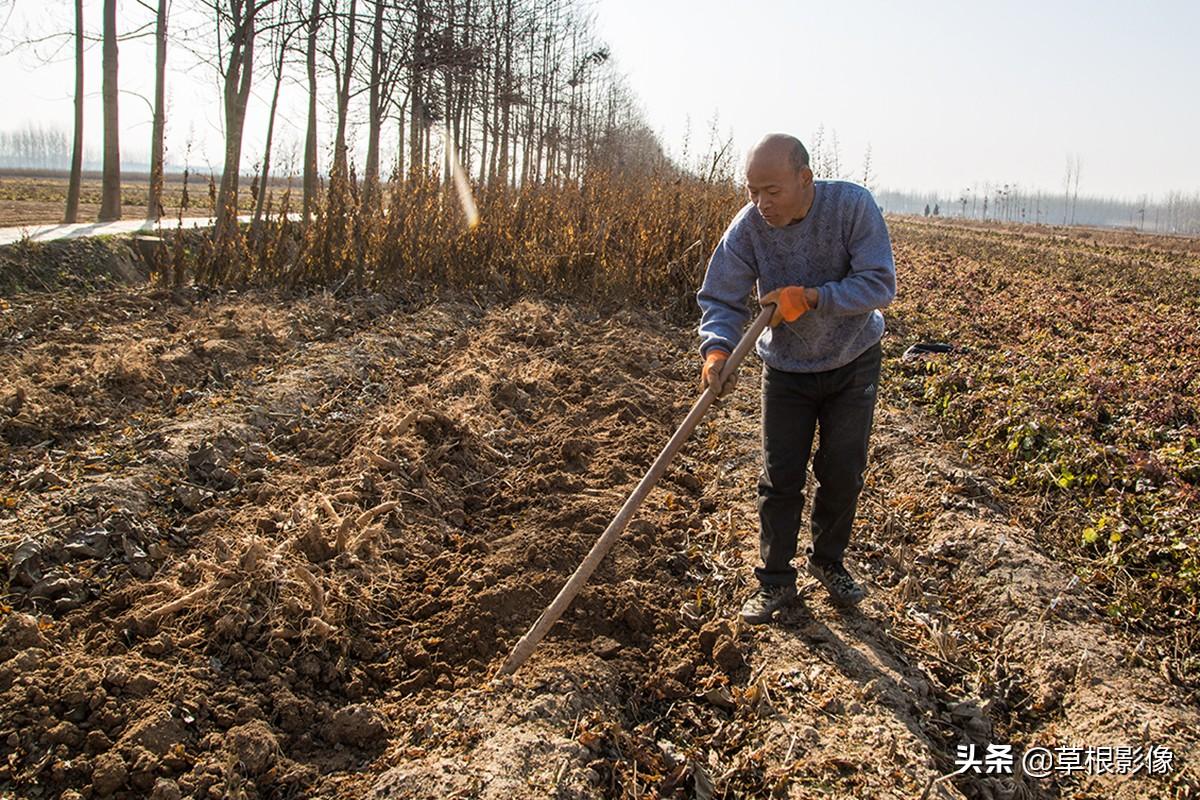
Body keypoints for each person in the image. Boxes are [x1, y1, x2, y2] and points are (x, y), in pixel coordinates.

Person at [697, 133, 896, 624]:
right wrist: (717, 349)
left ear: (804, 179)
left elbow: (879, 283)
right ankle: (775, 581)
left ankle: (829, 563)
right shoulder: (748, 230)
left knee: (842, 471)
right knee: (779, 478)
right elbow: (720, 297)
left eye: (772, 190)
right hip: (786, 369)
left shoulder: (851, 207)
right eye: (752, 191)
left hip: (853, 360)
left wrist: (810, 298)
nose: (760, 203)